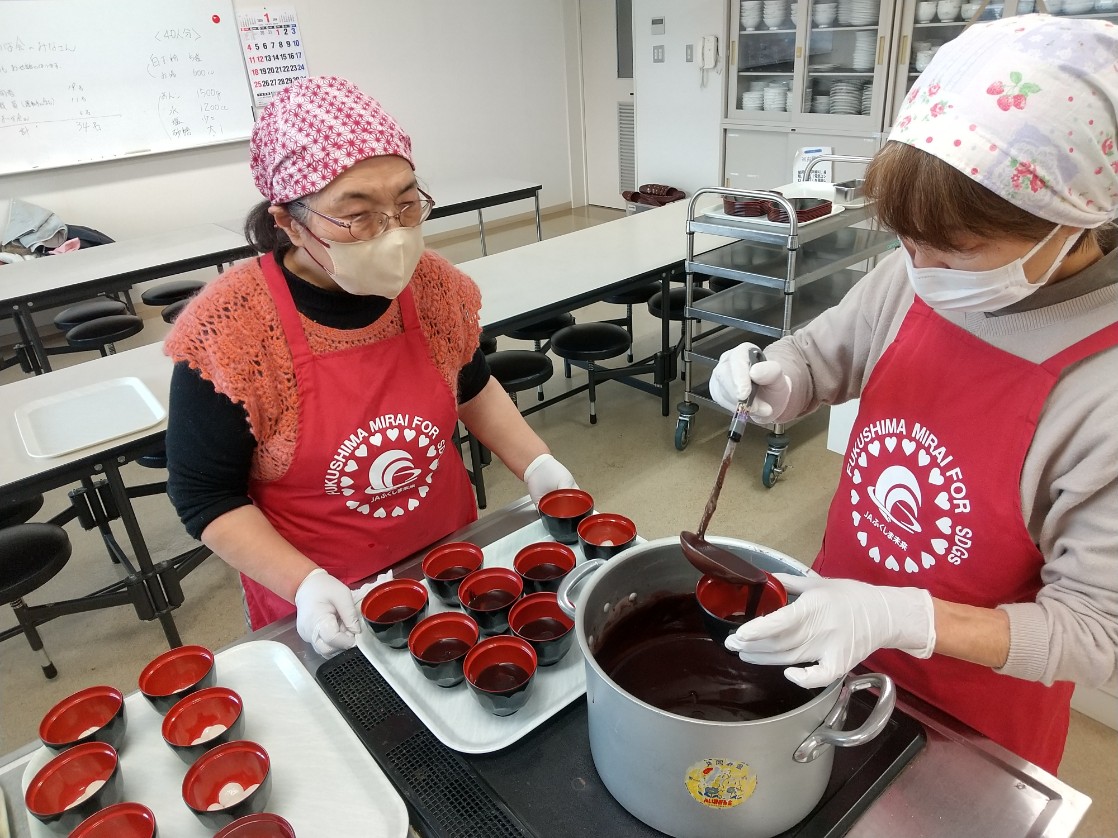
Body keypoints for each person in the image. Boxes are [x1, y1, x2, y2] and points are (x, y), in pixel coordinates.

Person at [708, 15, 1118, 774]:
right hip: (827, 640)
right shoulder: (918, 274)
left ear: (1070, 219)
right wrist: (777, 379)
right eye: (906, 240)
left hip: (969, 717)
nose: (920, 269)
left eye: (956, 250)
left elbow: (1097, 632)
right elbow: (822, 356)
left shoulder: (1103, 389)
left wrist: (903, 617)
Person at [164, 77, 577, 656]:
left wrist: (537, 463)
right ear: (289, 222)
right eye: (359, 215)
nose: (394, 233)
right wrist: (304, 585)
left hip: (451, 555)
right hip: (326, 594)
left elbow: (472, 386)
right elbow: (205, 496)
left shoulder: (432, 287)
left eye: (406, 204)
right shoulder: (231, 331)